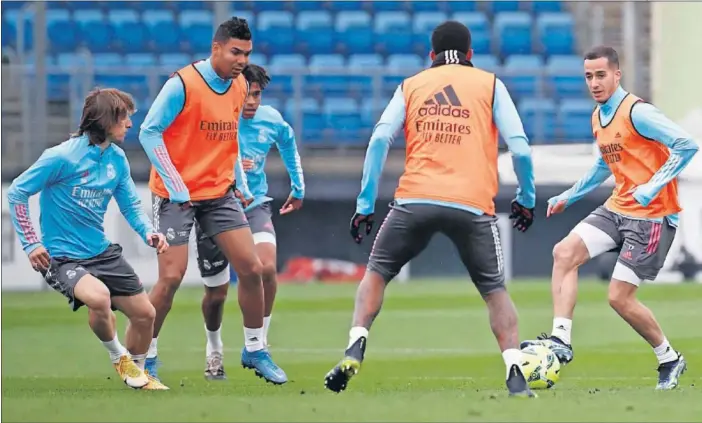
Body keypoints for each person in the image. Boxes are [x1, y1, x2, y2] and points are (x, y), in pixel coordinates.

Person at [323, 21, 537, 397]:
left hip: (414, 200)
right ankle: (515, 370)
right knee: (494, 289)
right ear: (470, 55)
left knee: (376, 274)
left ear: (430, 55)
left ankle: (356, 344)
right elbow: (519, 147)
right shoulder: (490, 84)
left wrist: (364, 204)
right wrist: (527, 198)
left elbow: (378, 140)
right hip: (471, 206)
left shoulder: (411, 85)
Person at [521, 46, 699, 390]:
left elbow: (686, 144)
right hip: (617, 209)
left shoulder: (638, 112)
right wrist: (568, 195)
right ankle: (561, 341)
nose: (594, 83)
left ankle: (669, 358)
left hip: (652, 217)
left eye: (600, 75)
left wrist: (652, 185)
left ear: (617, 75)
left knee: (618, 297)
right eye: (588, 76)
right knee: (564, 253)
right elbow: (604, 165)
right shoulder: (597, 116)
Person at [138, 17, 286, 385]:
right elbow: (148, 131)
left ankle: (254, 349)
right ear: (216, 48)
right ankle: (145, 356)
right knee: (170, 278)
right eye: (236, 51)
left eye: (247, 53)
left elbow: (230, 138)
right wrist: (175, 183)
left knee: (252, 269)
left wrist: (238, 179)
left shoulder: (238, 85)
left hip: (219, 194)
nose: (242, 59)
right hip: (175, 196)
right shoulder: (182, 84)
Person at [7, 88, 170, 391]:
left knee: (146, 314)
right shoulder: (60, 157)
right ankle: (118, 357)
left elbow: (131, 205)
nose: (130, 124)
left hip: (101, 252)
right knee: (98, 298)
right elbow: (17, 192)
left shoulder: (117, 159)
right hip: (63, 257)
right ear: (106, 119)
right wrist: (31, 244)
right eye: (124, 117)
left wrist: (148, 231)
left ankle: (139, 374)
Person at [194, 64, 305, 381]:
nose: (253, 101)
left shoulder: (271, 120)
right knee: (215, 295)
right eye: (247, 95)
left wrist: (299, 188)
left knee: (266, 268)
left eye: (257, 94)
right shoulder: (218, 119)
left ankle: (258, 344)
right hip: (215, 207)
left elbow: (288, 140)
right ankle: (213, 348)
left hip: (254, 206)